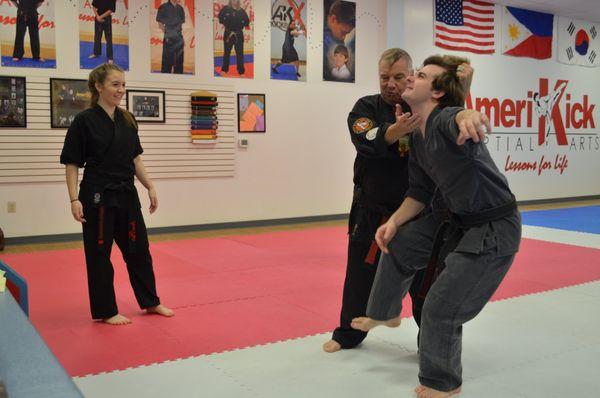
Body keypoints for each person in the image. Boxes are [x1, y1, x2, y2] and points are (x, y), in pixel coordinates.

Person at [351, 55, 521, 398]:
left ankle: (443, 383)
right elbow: (419, 191)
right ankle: (385, 313)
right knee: (397, 242)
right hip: (452, 220)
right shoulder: (418, 136)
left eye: (421, 75)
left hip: (493, 227)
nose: (410, 79)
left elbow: (458, 116)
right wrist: (394, 223)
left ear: (439, 93)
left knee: (440, 308)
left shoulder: (445, 119)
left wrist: (468, 113)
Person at [322, 49, 476, 353]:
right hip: (372, 209)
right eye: (384, 77)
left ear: (410, 75)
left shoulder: (421, 104)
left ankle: (430, 343)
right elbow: (364, 140)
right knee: (360, 276)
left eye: (398, 77)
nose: (390, 83)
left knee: (427, 282)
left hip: (421, 212)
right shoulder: (365, 106)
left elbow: (450, 117)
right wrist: (396, 130)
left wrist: (465, 89)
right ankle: (347, 335)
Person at [60, 63, 174, 326]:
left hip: (126, 194)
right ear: (98, 87)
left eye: (123, 84)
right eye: (115, 84)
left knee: (139, 250)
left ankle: (151, 301)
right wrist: (74, 199)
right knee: (99, 255)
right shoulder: (83, 121)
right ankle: (106, 310)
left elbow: (136, 159)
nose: (121, 90)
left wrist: (150, 186)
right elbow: (72, 163)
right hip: (97, 196)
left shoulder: (127, 119)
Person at [323, 0, 355, 81]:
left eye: (347, 33)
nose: (344, 38)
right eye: (343, 32)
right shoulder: (324, 41)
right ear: (333, 19)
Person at [218, 0, 250, 76]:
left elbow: (247, 22)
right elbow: (220, 18)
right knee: (226, 53)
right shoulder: (226, 9)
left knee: (240, 54)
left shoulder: (241, 11)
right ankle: (224, 70)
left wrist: (242, 23)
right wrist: (225, 22)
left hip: (238, 34)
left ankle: (241, 71)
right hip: (228, 33)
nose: (234, 1)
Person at [156, 0, 185, 74]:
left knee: (179, 61)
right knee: (167, 61)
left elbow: (181, 23)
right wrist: (168, 32)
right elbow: (160, 23)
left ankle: (178, 78)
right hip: (169, 37)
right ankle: (165, 80)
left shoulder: (180, 8)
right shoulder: (163, 7)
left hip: (179, 37)